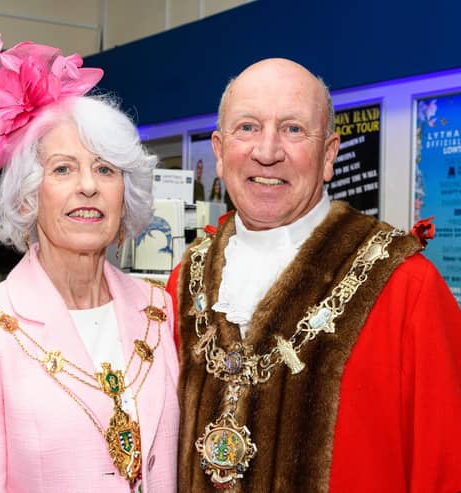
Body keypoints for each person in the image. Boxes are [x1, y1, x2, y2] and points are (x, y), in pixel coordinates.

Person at [166, 58, 461, 492]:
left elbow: (446, 467)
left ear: (328, 155)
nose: (267, 152)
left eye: (293, 129)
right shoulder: (184, 280)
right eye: (247, 127)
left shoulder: (405, 286)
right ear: (218, 150)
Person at [0, 35, 179, 493]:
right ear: (28, 195)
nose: (88, 186)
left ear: (127, 194)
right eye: (63, 169)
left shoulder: (160, 310)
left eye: (106, 169)